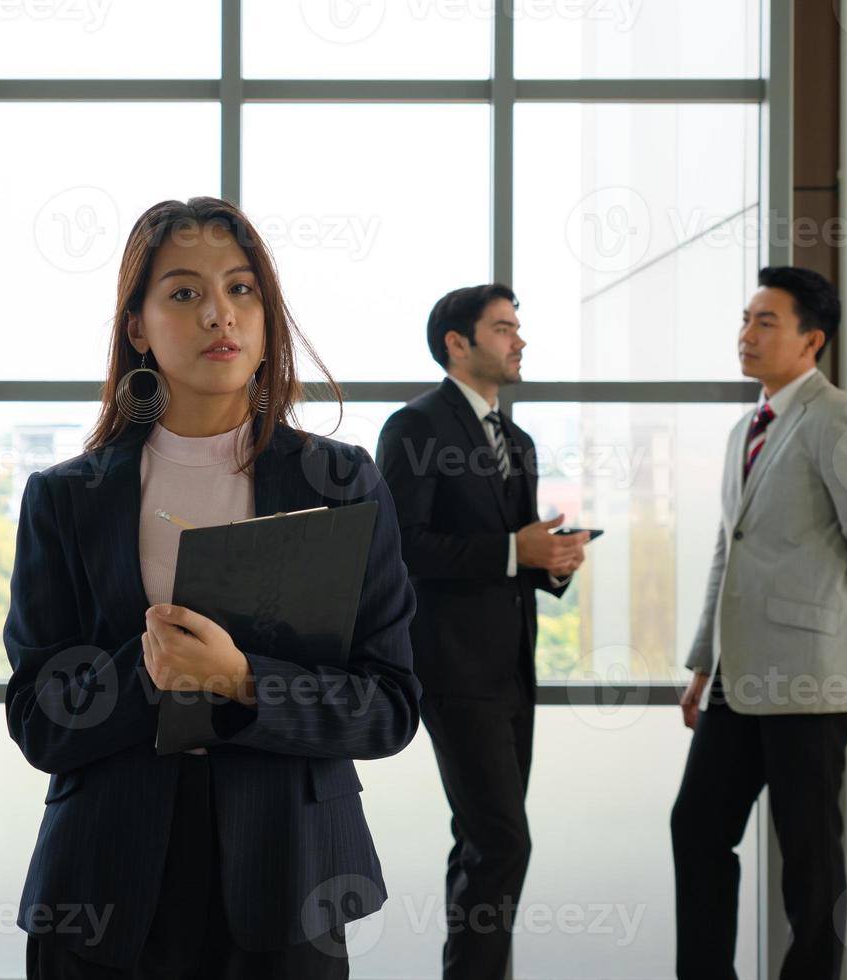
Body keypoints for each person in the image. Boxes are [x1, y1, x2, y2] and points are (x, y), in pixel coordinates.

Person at [4, 197, 421, 979]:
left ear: (267, 316)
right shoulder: (66, 497)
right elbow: (37, 720)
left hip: (286, 879)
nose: (218, 315)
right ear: (137, 327)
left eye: (242, 289)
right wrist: (145, 667)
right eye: (184, 293)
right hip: (103, 887)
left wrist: (240, 681)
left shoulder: (340, 483)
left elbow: (389, 707)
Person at [670, 267, 847, 980]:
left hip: (811, 676)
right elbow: (728, 553)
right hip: (737, 675)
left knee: (809, 855)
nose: (746, 334)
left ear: (811, 339)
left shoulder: (837, 418)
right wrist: (704, 662)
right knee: (696, 830)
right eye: (745, 318)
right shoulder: (747, 428)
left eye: (767, 322)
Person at [374, 283, 587, 980]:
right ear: (456, 344)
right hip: (453, 671)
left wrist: (552, 561)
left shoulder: (515, 440)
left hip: (511, 671)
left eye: (518, 327)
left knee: (480, 841)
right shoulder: (415, 428)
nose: (519, 340)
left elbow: (519, 553)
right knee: (502, 842)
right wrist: (511, 550)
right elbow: (401, 548)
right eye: (503, 328)